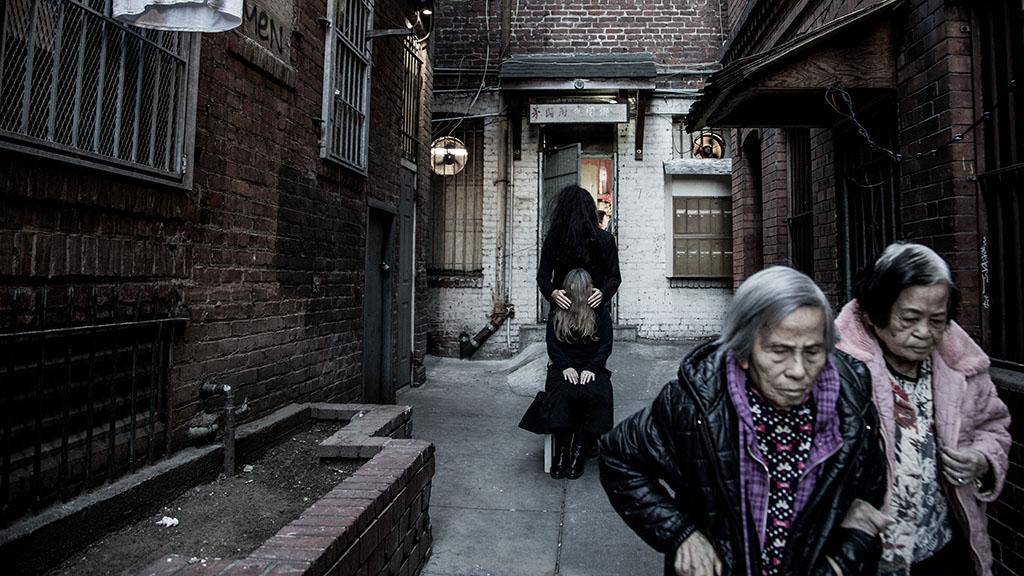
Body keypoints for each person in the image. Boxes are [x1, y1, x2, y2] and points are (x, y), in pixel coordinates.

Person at [600, 266, 891, 576]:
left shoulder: (851, 405)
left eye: (813, 351)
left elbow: (868, 497)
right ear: (743, 350)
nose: (798, 370)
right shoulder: (695, 405)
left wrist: (839, 563)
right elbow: (619, 457)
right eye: (779, 351)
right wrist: (679, 533)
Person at [834, 243, 1011, 576]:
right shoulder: (837, 370)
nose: (924, 332)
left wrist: (983, 459)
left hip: (943, 550)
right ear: (874, 314)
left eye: (937, 320)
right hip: (865, 557)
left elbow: (993, 426)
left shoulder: (964, 368)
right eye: (910, 318)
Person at [538, 184, 621, 458]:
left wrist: (601, 293)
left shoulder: (598, 241)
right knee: (579, 374)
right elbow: (614, 277)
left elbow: (543, 278)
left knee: (590, 374)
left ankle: (582, 437)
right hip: (566, 313)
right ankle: (583, 438)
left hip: (590, 313)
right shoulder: (561, 240)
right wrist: (554, 293)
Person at [543, 268, 614, 479]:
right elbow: (552, 344)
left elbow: (606, 345)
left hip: (592, 366)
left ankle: (579, 449)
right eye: (571, 290)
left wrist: (592, 368)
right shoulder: (557, 310)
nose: (575, 296)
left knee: (596, 393)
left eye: (579, 291)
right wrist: (565, 366)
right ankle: (563, 449)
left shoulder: (600, 312)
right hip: (563, 366)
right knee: (563, 393)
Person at [538, 185, 621, 315]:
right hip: (592, 312)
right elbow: (614, 277)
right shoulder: (606, 239)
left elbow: (543, 277)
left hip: (564, 313)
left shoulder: (554, 239)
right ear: (590, 210)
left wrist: (553, 293)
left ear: (562, 211)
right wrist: (603, 293)